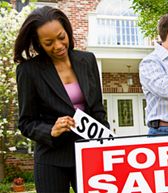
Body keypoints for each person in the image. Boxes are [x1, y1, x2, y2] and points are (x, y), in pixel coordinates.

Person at [14, 6, 109, 193]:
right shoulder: (28, 71)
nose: (58, 46)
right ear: (38, 44)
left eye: (61, 37)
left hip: (88, 154)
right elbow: (26, 122)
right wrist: (51, 130)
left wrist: (105, 143)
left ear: (67, 30)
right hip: (52, 158)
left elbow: (97, 109)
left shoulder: (87, 60)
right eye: (48, 43)